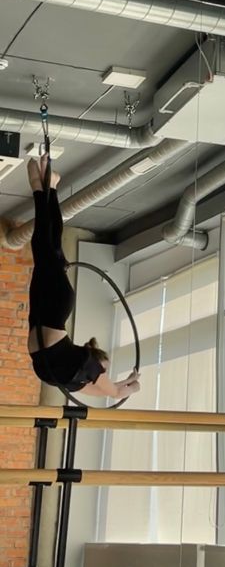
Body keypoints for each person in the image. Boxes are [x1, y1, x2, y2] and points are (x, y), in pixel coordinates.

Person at [26, 156, 140, 398]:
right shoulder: (84, 366)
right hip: (55, 309)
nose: (102, 377)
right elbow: (105, 386)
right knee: (45, 248)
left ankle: (49, 186)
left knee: (49, 249)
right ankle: (41, 187)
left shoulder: (75, 377)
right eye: (103, 373)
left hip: (44, 314)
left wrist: (125, 387)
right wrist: (123, 389)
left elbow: (105, 388)